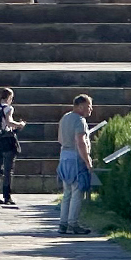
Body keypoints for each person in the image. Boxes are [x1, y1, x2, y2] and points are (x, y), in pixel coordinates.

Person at [56, 94, 95, 234]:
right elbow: (81, 142)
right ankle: (73, 223)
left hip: (64, 156)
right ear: (80, 106)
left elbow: (60, 139)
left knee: (67, 193)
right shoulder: (80, 120)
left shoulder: (65, 118)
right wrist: (88, 161)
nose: (91, 109)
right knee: (77, 192)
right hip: (75, 159)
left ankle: (63, 223)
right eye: (89, 106)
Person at [0, 87, 26, 206]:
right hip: (7, 140)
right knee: (8, 170)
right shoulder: (8, 108)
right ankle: (7, 196)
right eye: (11, 98)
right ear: (9, 98)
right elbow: (9, 122)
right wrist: (20, 124)